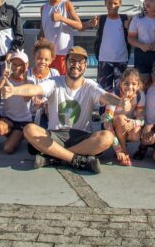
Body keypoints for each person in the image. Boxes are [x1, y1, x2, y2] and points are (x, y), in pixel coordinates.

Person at [7, 46, 124, 174]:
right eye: (72, 61)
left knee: (107, 137)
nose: (76, 65)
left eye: (80, 62)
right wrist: (14, 90)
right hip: (55, 135)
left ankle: (54, 156)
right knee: (29, 129)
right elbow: (35, 89)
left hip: (82, 137)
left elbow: (105, 96)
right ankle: (75, 159)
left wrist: (120, 102)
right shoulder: (54, 82)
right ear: (65, 63)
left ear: (85, 66)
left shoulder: (91, 86)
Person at [39, 0, 82, 74]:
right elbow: (43, 30)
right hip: (48, 54)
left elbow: (79, 25)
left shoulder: (66, 4)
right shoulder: (43, 8)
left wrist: (61, 18)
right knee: (48, 83)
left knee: (62, 84)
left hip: (63, 54)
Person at [90, 0, 131, 93]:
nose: (112, 6)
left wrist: (129, 27)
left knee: (121, 91)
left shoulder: (125, 18)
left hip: (121, 61)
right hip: (104, 60)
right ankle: (104, 110)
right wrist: (92, 24)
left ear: (120, 4)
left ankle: (119, 110)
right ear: (105, 3)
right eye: (109, 3)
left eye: (115, 3)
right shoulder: (101, 19)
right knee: (103, 92)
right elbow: (86, 26)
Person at [0, 51, 34, 154]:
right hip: (8, 118)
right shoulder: (4, 79)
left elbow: (27, 99)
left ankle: (20, 134)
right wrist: (4, 78)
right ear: (10, 64)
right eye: (14, 64)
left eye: (21, 65)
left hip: (23, 120)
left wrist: (24, 80)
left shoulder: (30, 81)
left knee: (8, 149)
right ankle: (15, 134)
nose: (17, 68)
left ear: (26, 66)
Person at [104, 67, 145, 166]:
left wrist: (133, 123)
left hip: (127, 125)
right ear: (121, 84)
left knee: (136, 132)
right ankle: (124, 150)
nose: (130, 87)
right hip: (111, 127)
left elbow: (142, 119)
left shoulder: (140, 95)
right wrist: (118, 149)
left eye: (134, 84)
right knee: (120, 118)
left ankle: (122, 145)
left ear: (138, 85)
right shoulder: (113, 96)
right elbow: (106, 122)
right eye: (126, 83)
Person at [128, 0, 155, 88]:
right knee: (142, 85)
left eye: (152, 0)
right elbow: (131, 38)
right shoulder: (138, 18)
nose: (147, 2)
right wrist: (141, 45)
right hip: (142, 55)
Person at [26, 39, 59, 128]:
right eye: (39, 58)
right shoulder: (27, 73)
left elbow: (57, 95)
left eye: (46, 59)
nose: (43, 62)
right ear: (34, 57)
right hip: (28, 114)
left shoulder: (54, 73)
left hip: (47, 114)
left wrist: (44, 101)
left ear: (51, 60)